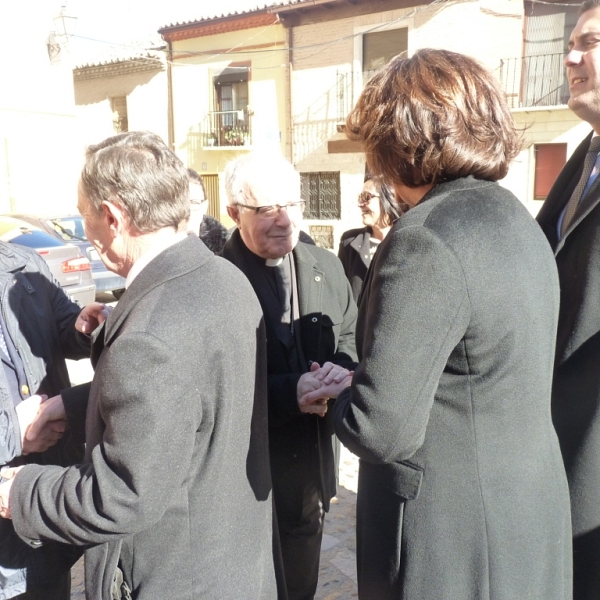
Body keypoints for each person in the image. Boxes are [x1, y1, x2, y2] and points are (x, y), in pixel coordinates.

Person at [307, 49, 572, 599]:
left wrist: (338, 397)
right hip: (527, 509)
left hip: (453, 537)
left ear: (397, 142)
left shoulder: (426, 237)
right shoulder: (515, 216)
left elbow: (383, 428)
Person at [0, 131, 277, 600]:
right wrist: (74, 402)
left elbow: (120, 495)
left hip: (175, 576)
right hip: (231, 562)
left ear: (112, 217)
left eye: (85, 216)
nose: (86, 235)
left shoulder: (149, 334)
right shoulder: (223, 276)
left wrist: (21, 491)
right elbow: (189, 390)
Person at [221, 152, 357, 600]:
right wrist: (288, 392)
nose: (284, 220)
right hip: (244, 472)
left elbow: (353, 334)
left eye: (292, 205)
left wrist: (340, 369)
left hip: (309, 465)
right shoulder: (215, 280)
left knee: (300, 581)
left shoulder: (326, 264)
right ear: (233, 213)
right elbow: (213, 380)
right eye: (266, 210)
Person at [536, 2, 600, 597]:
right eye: (571, 44)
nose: (572, 57)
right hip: (559, 439)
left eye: (592, 42)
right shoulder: (584, 155)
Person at [0, 241, 91, 600]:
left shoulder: (24, 264)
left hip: (42, 513)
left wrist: (85, 328)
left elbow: (64, 326)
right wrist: (12, 433)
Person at [338, 176, 403, 302]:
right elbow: (340, 292)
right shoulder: (349, 242)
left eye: (366, 197)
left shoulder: (406, 241)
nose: (360, 204)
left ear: (388, 199)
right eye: (360, 197)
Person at [187, 168, 230, 253]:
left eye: (194, 202)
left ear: (205, 206)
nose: (187, 210)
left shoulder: (226, 251)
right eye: (181, 203)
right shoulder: (157, 252)